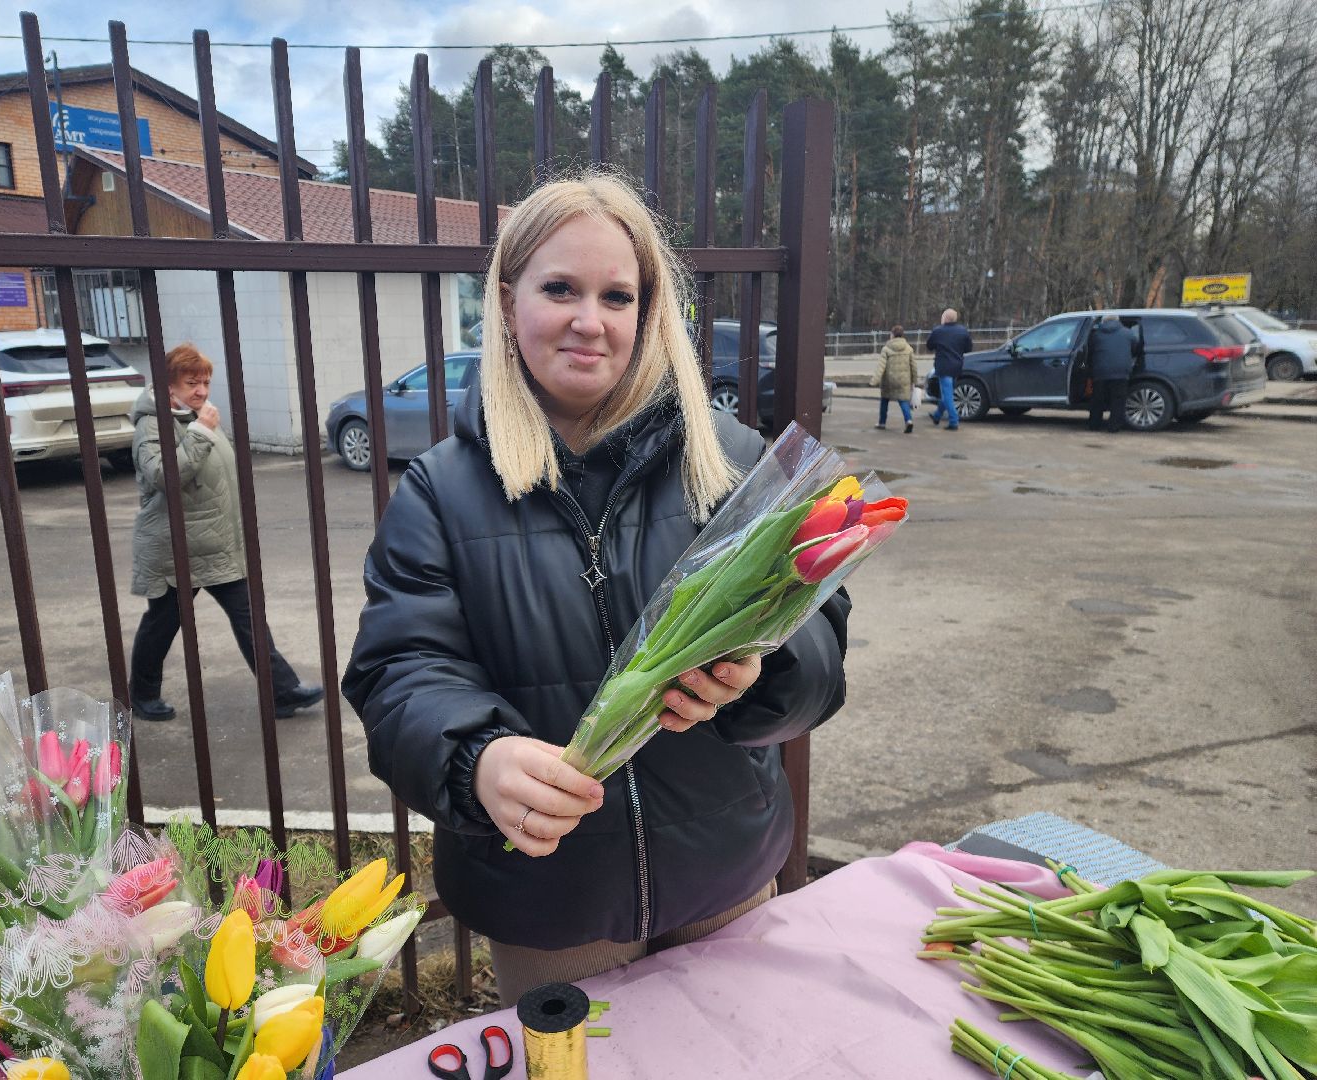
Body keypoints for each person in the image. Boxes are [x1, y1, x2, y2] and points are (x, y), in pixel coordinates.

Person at [343, 173, 850, 1007]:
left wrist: (766, 670)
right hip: (552, 899)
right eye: (559, 289)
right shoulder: (441, 489)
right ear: (506, 302)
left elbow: (821, 636)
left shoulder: (729, 459)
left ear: (648, 313)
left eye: (618, 295)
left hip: (726, 871)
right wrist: (477, 760)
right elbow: (399, 671)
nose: (591, 320)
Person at [128, 344, 322, 722]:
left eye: (205, 382)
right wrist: (201, 432)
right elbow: (164, 476)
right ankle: (142, 694)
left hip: (214, 543)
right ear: (168, 386)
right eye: (191, 383)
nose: (201, 390)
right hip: (175, 548)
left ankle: (281, 693)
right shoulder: (152, 425)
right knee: (162, 624)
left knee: (249, 617)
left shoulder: (198, 416)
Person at [1086, 313, 1137, 433]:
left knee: (1098, 400)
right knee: (1118, 400)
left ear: (1103, 322)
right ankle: (1114, 427)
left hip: (1100, 371)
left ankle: (1094, 425)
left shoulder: (1095, 335)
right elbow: (1135, 349)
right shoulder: (1128, 333)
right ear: (1118, 321)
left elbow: (1089, 351)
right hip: (1121, 372)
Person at [926, 308, 972, 430]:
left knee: (947, 396)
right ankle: (937, 415)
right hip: (957, 366)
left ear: (945, 318)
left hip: (943, 366)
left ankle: (953, 421)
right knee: (947, 393)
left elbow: (929, 346)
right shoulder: (963, 331)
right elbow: (968, 348)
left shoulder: (938, 331)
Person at [871, 325, 920, 433]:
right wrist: (915, 381)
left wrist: (874, 380)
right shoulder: (909, 349)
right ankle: (908, 420)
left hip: (889, 381)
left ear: (892, 335)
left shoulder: (886, 349)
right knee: (903, 401)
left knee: (884, 401)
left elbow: (881, 366)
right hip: (904, 381)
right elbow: (914, 366)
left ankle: (882, 423)